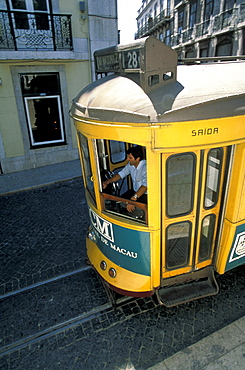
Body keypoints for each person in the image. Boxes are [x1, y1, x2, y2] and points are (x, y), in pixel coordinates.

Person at [102, 146, 147, 212]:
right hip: (135, 192)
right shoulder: (131, 165)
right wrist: (107, 182)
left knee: (136, 210)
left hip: (145, 195)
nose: (127, 159)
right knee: (119, 202)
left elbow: (145, 186)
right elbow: (121, 174)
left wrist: (133, 199)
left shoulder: (146, 167)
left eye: (130, 158)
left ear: (138, 159)